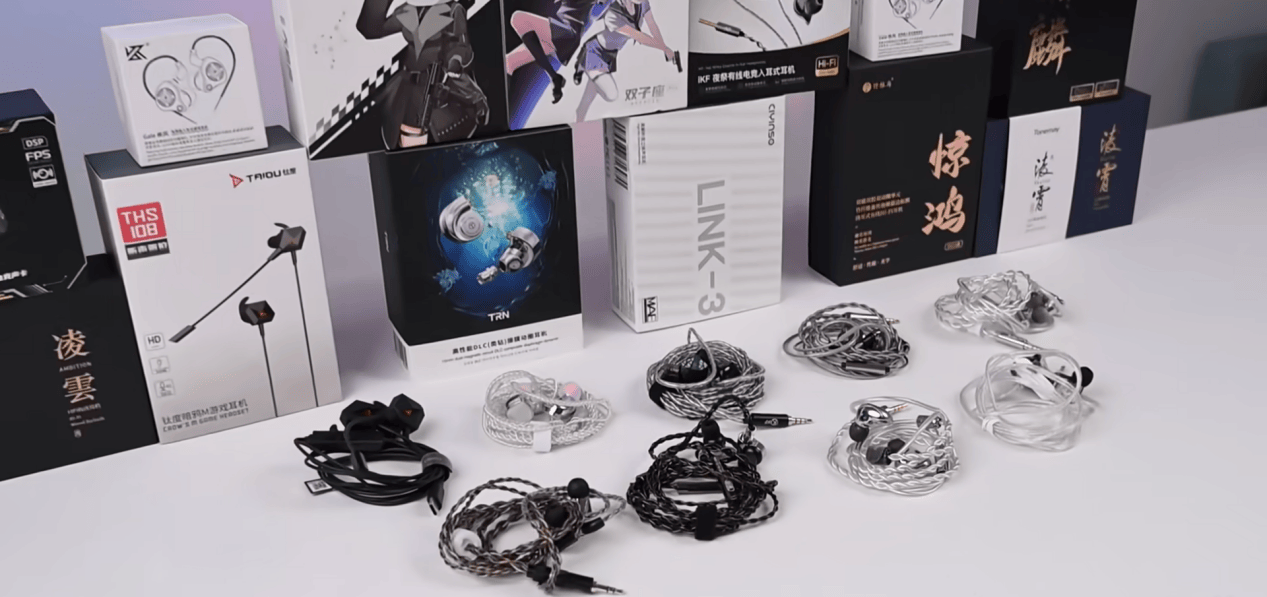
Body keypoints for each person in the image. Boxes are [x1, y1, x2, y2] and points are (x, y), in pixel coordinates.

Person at [357, 0, 490, 149]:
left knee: (433, 141)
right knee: (403, 140)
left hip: (437, 86)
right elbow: (371, 29)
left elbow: (461, 47)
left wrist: (454, 63)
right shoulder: (408, 11)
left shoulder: (453, 10)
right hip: (408, 88)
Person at [573, 0, 676, 122]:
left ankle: (581, 112)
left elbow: (652, 24)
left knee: (597, 85)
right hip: (595, 52)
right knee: (611, 94)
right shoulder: (612, 12)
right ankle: (583, 63)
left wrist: (664, 48)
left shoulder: (642, 3)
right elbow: (639, 37)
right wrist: (664, 48)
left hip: (611, 55)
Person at [504, 0, 596, 105]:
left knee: (518, 18)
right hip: (556, 36)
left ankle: (554, 76)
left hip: (568, 34)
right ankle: (500, 103)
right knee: (509, 62)